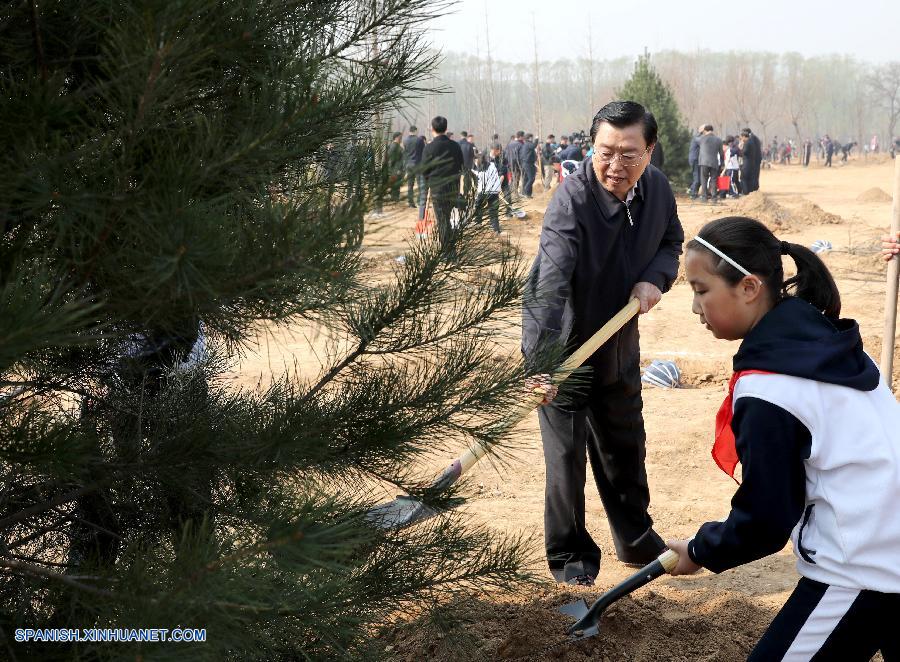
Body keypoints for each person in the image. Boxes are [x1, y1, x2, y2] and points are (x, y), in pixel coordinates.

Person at [668, 216, 900, 660]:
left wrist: (699, 550)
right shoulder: (824, 340)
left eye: (701, 290)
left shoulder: (772, 387)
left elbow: (767, 517)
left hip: (865, 562)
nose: (695, 307)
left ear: (750, 288)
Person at [522, 100, 684, 586]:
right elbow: (547, 286)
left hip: (618, 344)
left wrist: (656, 278)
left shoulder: (656, 190)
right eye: (604, 152)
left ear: (650, 151)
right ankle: (570, 556)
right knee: (566, 460)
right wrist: (542, 363)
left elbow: (671, 243)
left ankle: (635, 538)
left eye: (628, 154)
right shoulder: (572, 201)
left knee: (625, 446)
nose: (615, 166)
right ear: (591, 147)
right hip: (566, 350)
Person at [421, 116, 464, 245]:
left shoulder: (429, 148)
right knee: (448, 218)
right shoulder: (455, 146)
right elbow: (461, 166)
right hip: (453, 189)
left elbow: (424, 170)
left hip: (438, 190)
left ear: (432, 129)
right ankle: (450, 247)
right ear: (446, 128)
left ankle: (447, 251)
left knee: (443, 221)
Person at [472, 151, 502, 234]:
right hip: (494, 191)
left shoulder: (480, 169)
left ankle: (478, 224)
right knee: (493, 211)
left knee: (478, 208)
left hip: (484, 192)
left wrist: (472, 171)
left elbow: (479, 176)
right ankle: (496, 229)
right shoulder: (492, 165)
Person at [698, 124, 723, 204]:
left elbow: (695, 138)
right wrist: (722, 163)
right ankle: (714, 198)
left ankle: (704, 198)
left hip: (703, 162)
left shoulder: (701, 139)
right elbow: (721, 153)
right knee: (714, 180)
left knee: (704, 179)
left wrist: (700, 132)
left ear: (705, 131)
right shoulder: (718, 140)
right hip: (714, 162)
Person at [403, 126, 425, 208]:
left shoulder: (405, 140)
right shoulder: (419, 140)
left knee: (410, 184)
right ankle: (420, 201)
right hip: (418, 164)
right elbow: (424, 151)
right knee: (420, 184)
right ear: (415, 131)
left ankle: (410, 202)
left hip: (409, 165)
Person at [739, 128, 762, 193]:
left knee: (752, 176)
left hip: (753, 160)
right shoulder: (754, 138)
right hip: (754, 160)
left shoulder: (751, 139)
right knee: (753, 176)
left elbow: (747, 151)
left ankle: (752, 190)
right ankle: (753, 190)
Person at [387, 131, 404, 202]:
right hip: (395, 169)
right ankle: (394, 197)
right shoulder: (394, 146)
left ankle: (394, 197)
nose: (401, 139)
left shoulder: (394, 146)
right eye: (400, 137)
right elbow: (390, 159)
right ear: (397, 137)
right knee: (395, 184)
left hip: (396, 169)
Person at [459, 131, 476, 197]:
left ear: (461, 136)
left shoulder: (457, 143)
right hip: (467, 165)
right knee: (467, 180)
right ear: (466, 136)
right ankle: (466, 193)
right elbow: (472, 155)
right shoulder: (469, 145)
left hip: (458, 165)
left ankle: (458, 195)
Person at [520, 132, 538, 198]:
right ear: (529, 138)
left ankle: (527, 194)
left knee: (526, 179)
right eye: (532, 137)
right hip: (528, 164)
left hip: (525, 163)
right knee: (531, 178)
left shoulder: (525, 144)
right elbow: (534, 146)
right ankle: (525, 191)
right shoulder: (528, 144)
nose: (532, 139)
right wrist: (537, 139)